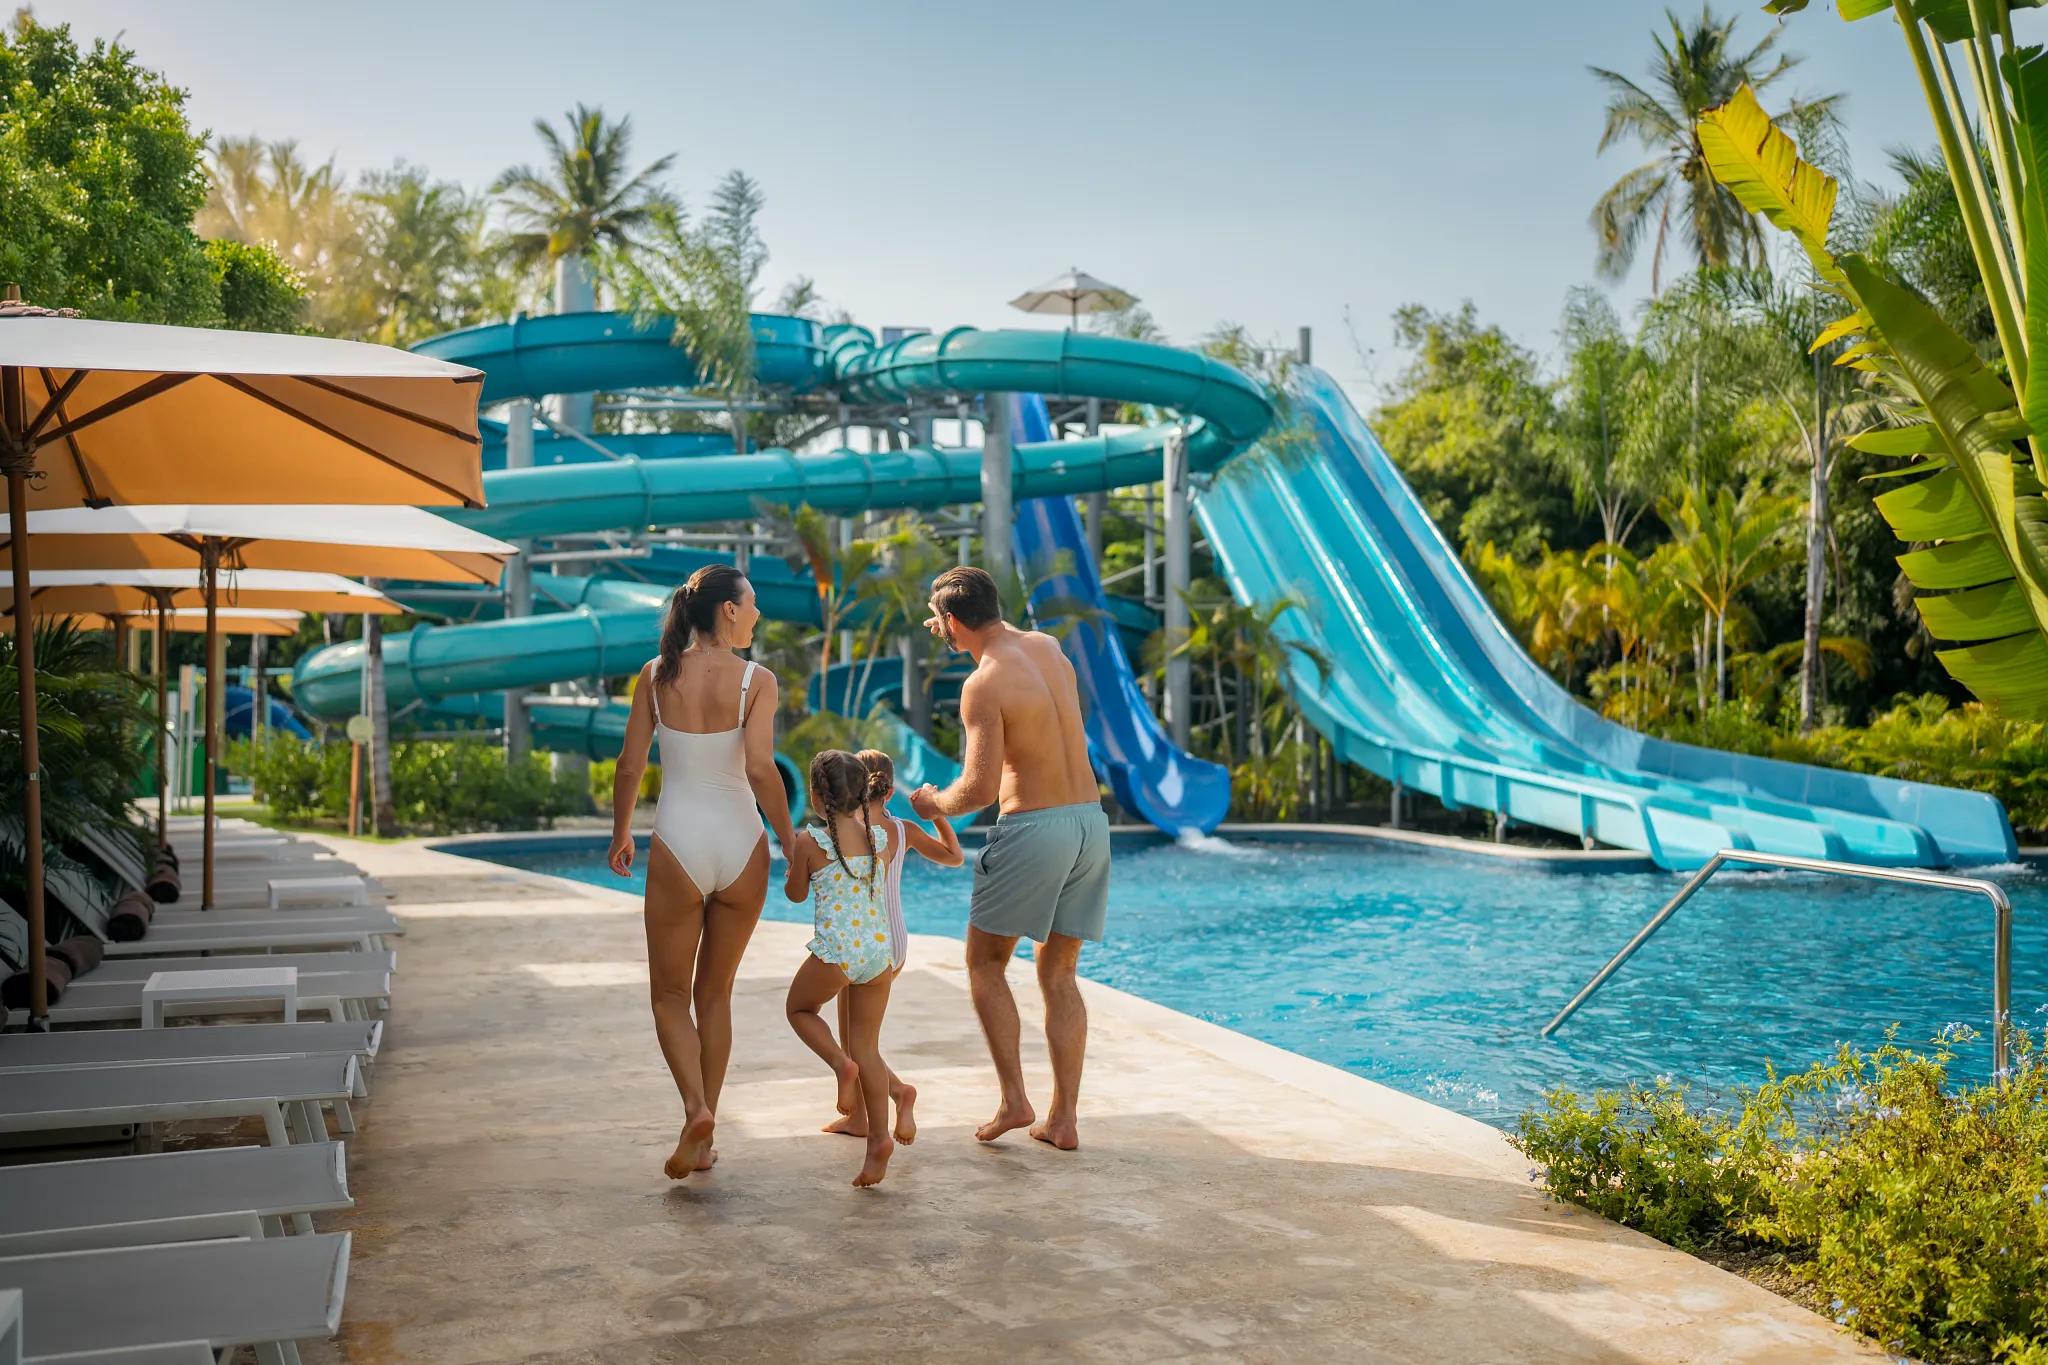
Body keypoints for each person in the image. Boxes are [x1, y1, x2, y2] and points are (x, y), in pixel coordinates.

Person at [908, 565, 1109, 1151]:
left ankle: (1014, 1100)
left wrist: (930, 802)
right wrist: (956, 627)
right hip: (1090, 824)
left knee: (986, 964)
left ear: (948, 622)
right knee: (1059, 972)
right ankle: (1063, 1119)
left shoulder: (982, 683)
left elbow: (979, 790)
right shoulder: (1047, 648)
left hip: (1035, 828)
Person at [609, 564, 796, 1181]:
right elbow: (764, 771)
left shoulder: (656, 675)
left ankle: (695, 1111)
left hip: (679, 843)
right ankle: (705, 1131)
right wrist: (789, 840)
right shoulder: (757, 681)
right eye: (753, 604)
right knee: (714, 994)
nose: (759, 615)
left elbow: (631, 765)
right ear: (728, 613)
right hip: (743, 844)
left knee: (668, 995)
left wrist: (621, 832)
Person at [782, 750, 921, 1186]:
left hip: (837, 954)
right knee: (871, 1050)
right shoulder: (880, 837)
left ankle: (840, 1065)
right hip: (877, 956)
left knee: (800, 1011)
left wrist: (794, 863)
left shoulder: (811, 842)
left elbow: (796, 895)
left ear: (818, 798)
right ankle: (879, 1139)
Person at [817, 747, 962, 1141]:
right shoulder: (902, 830)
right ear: (891, 791)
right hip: (895, 941)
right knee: (860, 1040)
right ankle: (862, 1117)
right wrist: (935, 815)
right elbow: (955, 857)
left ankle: (899, 1093)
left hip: (861, 937)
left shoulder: (846, 827)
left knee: (855, 1043)